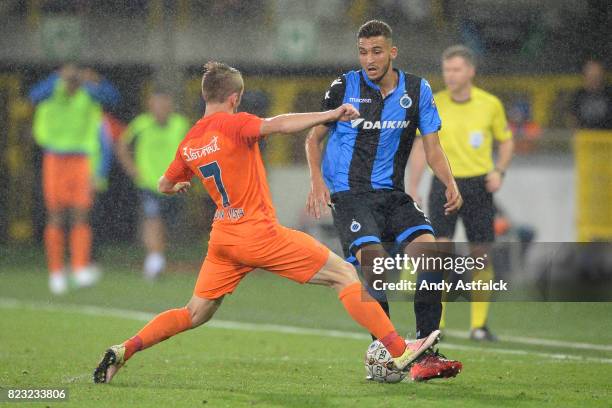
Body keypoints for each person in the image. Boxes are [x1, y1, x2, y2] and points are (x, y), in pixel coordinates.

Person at [93, 61, 441, 384]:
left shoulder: (191, 139)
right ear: (235, 97)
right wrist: (332, 113)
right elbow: (279, 125)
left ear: (204, 95)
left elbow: (164, 184)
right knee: (345, 275)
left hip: (224, 240)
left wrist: (180, 184)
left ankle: (125, 349)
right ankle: (399, 350)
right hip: (257, 234)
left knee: (194, 313)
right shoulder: (235, 123)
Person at [305, 20, 463, 382]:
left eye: (376, 51)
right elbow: (313, 138)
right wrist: (316, 181)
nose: (369, 59)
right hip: (350, 195)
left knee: (431, 254)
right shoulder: (344, 86)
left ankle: (426, 352)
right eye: (363, 52)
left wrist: (450, 182)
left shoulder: (417, 89)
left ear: (392, 52)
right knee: (375, 265)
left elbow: (433, 146)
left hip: (392, 195)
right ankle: (389, 351)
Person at [409, 45, 514, 341]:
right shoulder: (433, 102)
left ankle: (479, 326)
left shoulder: (490, 104)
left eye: (456, 69)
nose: (450, 75)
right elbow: (421, 147)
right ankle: (435, 326)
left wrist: (500, 170)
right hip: (443, 185)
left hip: (478, 185)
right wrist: (414, 186)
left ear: (470, 71)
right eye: (446, 70)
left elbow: (506, 141)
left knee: (481, 255)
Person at [29, 63, 119, 295]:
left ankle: (79, 267)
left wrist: (94, 79)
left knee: (81, 213)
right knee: (56, 215)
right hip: (55, 158)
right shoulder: (52, 90)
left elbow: (112, 98)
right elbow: (33, 95)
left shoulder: (87, 92)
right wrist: (55, 77)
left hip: (80, 159)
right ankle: (56, 272)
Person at [116, 91, 190, 279]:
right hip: (149, 183)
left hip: (174, 184)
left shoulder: (180, 125)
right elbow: (122, 145)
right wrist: (131, 168)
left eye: (164, 106)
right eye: (156, 105)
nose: (160, 110)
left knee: (165, 222)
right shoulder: (141, 125)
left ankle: (157, 257)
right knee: (152, 218)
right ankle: (155, 259)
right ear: (150, 106)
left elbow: (192, 148)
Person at [569, 60, 612, 129]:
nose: (594, 79)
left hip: (608, 137)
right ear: (584, 77)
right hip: (585, 137)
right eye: (591, 76)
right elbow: (573, 120)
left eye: (597, 76)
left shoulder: (609, 94)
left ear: (603, 75)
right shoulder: (578, 95)